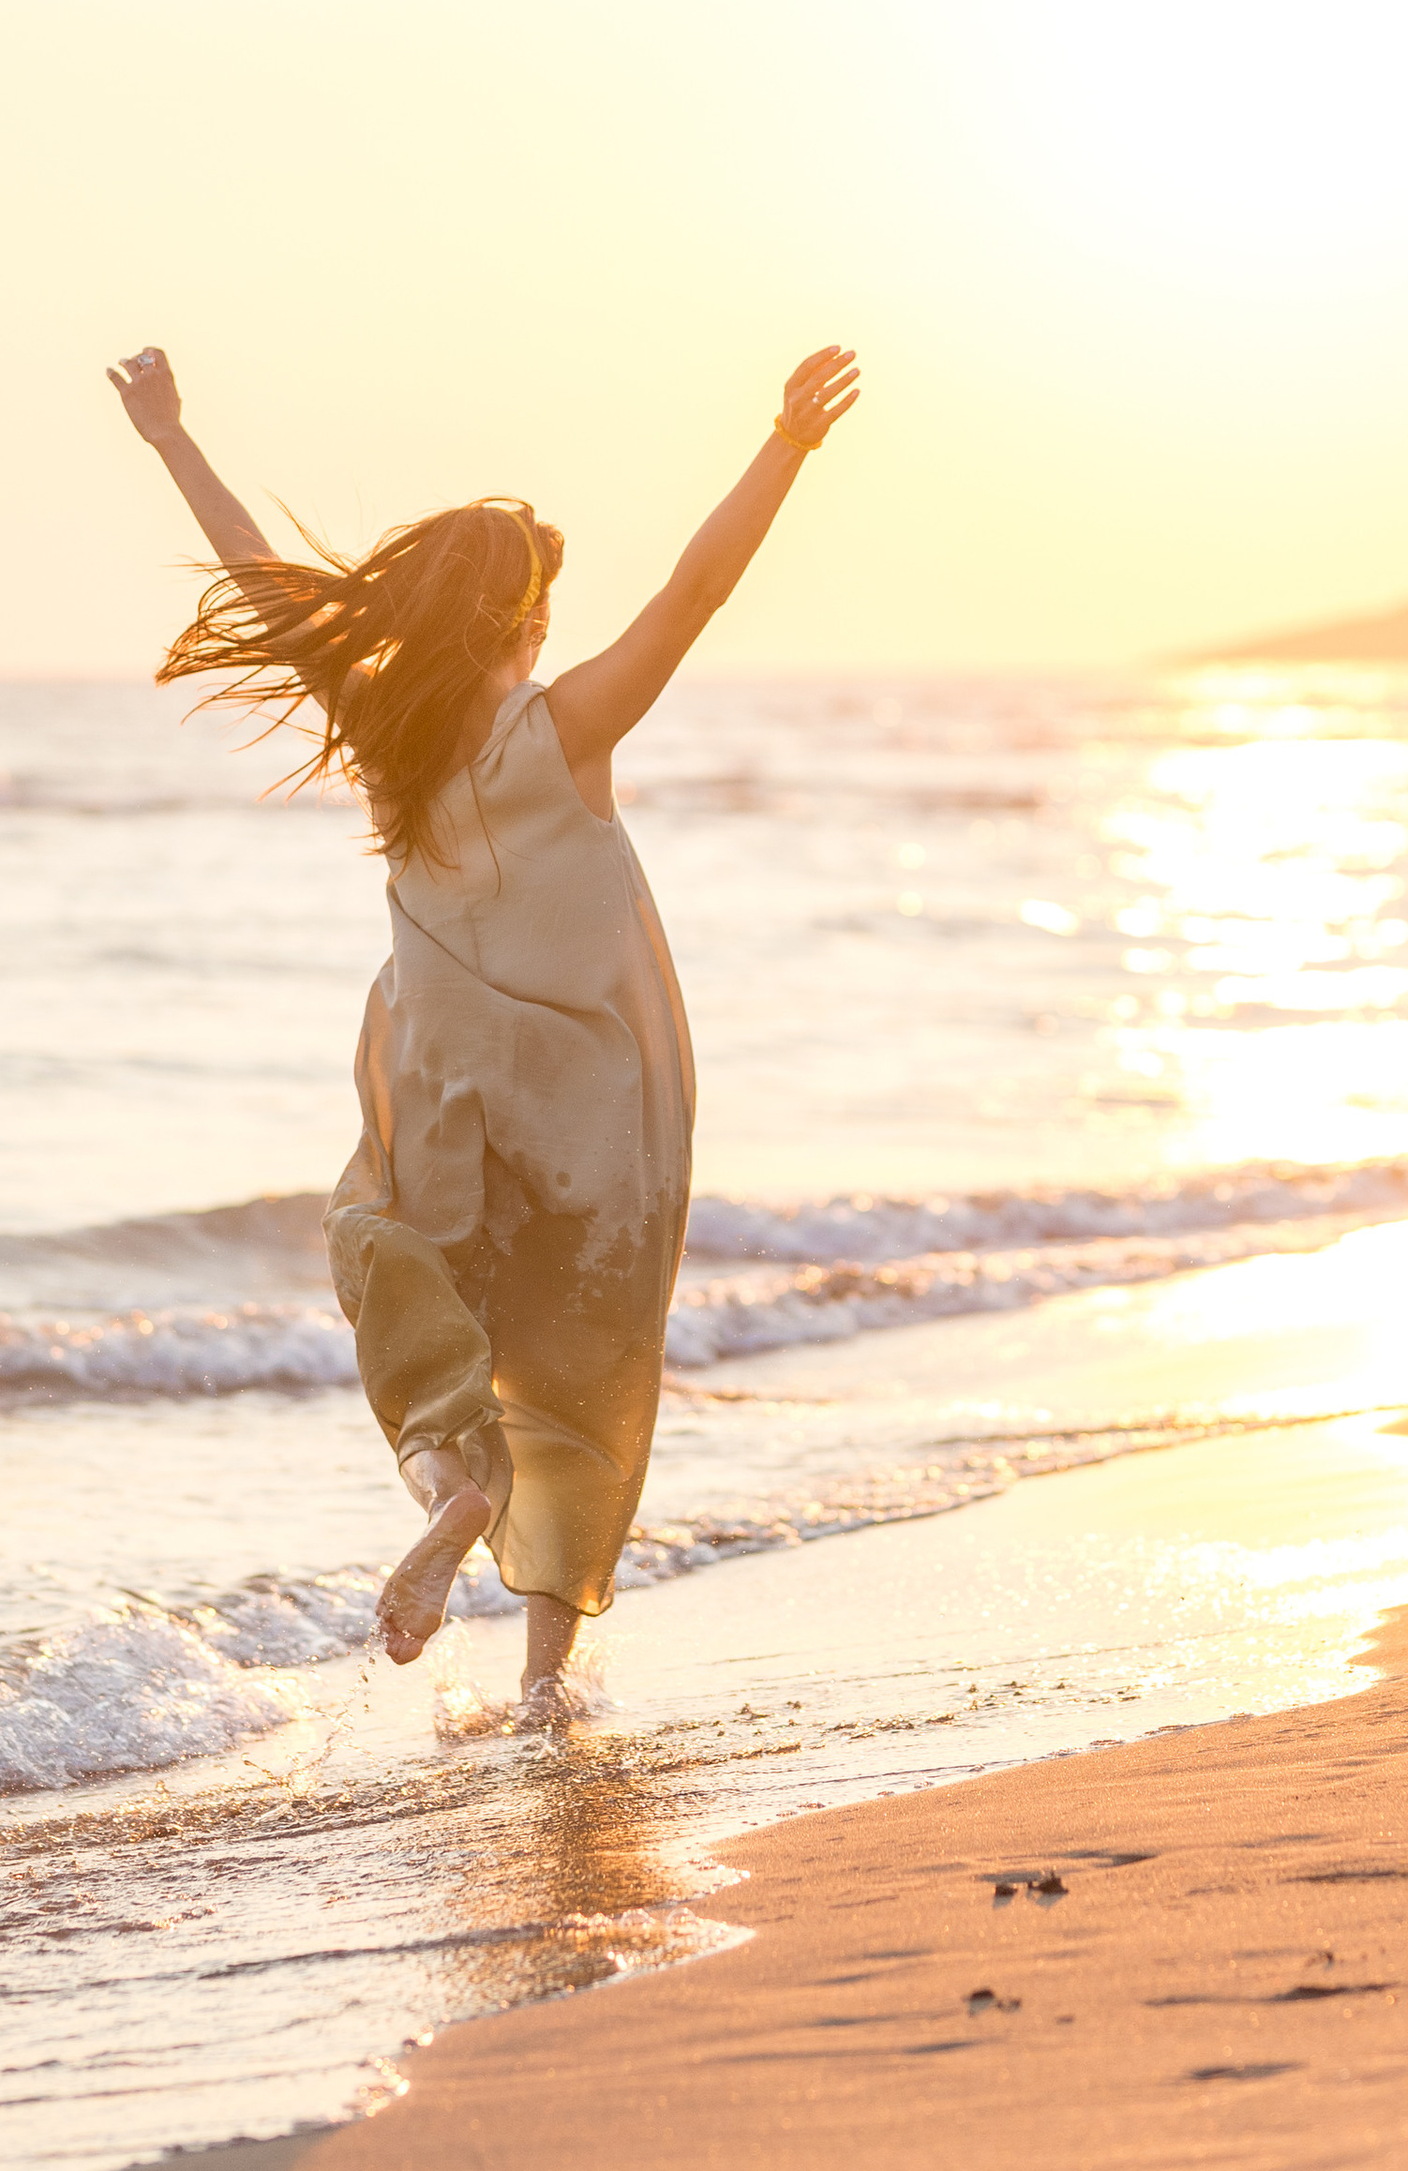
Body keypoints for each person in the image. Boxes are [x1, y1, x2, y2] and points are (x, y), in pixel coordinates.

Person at [105, 342, 861, 1714]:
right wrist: (787, 445)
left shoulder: (385, 728)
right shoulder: (566, 726)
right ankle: (542, 1683)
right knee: (578, 1365)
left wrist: (170, 438)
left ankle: (450, 1494)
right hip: (590, 1103)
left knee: (400, 1292)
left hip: (438, 1080)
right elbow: (695, 591)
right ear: (530, 616)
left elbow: (261, 578)